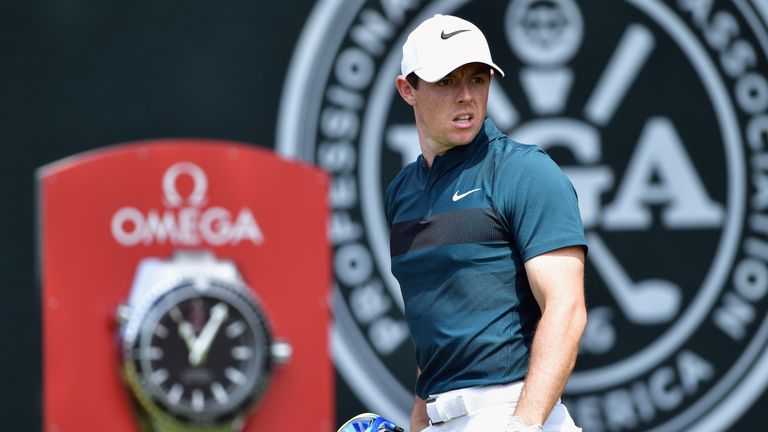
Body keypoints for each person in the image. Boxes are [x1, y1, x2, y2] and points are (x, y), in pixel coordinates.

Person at [385, 14, 587, 432]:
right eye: (446, 82)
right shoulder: (402, 192)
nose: (465, 96)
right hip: (444, 417)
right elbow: (436, 336)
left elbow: (566, 309)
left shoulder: (525, 171)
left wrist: (524, 424)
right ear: (408, 90)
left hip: (514, 410)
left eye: (477, 79)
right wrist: (420, 423)